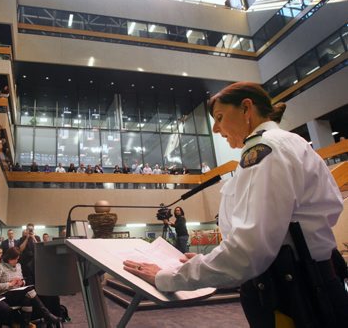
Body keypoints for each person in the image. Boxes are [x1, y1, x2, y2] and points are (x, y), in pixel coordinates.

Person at [123, 82, 348, 327]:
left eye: (219, 117)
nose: (216, 128)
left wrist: (167, 277)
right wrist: (210, 262)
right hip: (311, 280)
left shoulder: (266, 148)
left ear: (246, 108)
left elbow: (248, 251)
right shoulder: (290, 142)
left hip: (291, 292)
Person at [0, 247, 62, 327]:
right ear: (9, 258)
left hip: (19, 293)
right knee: (29, 291)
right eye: (15, 259)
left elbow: (22, 279)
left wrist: (22, 283)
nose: (16, 261)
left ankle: (25, 324)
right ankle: (47, 315)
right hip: (5, 296)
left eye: (18, 259)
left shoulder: (18, 266)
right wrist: (10, 284)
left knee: (27, 299)